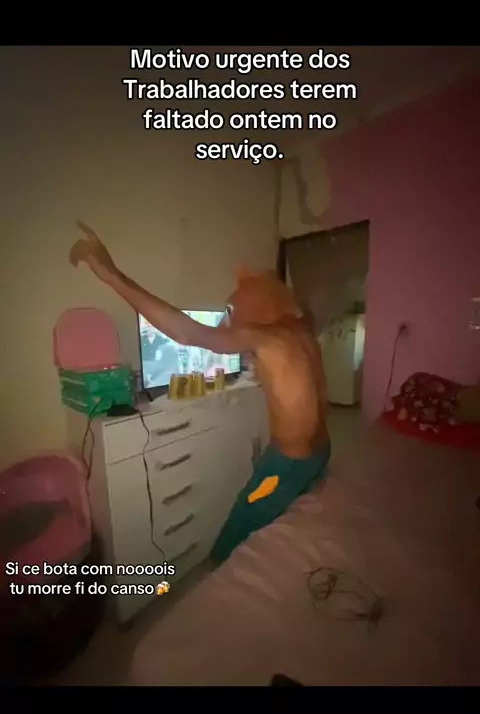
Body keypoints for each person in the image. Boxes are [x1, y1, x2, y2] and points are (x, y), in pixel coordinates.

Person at [69, 222, 330, 564]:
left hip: (285, 467)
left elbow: (187, 333)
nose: (231, 318)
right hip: (321, 452)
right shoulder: (303, 327)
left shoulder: (266, 337)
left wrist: (111, 274)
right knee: (292, 520)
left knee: (233, 537)